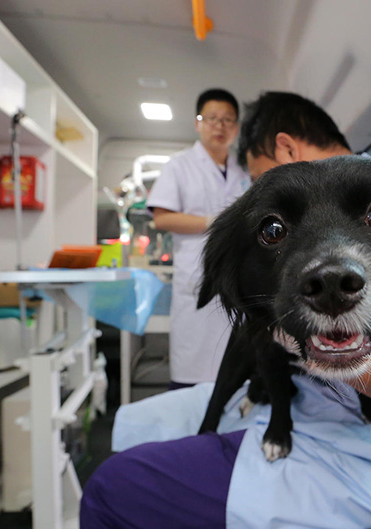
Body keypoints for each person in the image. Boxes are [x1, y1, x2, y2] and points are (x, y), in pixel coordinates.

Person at [81, 92, 371, 528]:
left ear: (285, 149)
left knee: (110, 487)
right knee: (139, 423)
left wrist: (288, 333)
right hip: (310, 415)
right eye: (274, 229)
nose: (332, 277)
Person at [146, 88, 252, 389]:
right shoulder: (179, 165)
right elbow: (162, 217)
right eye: (212, 118)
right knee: (194, 369)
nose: (220, 126)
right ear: (198, 123)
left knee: (235, 370)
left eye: (228, 120)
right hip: (196, 275)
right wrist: (217, 223)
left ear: (237, 128)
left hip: (237, 276)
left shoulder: (244, 170)